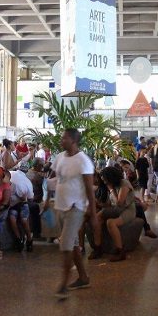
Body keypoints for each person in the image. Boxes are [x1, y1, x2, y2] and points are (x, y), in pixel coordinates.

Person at [51, 128, 96, 299]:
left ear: (74, 141)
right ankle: (83, 277)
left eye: (64, 138)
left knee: (66, 245)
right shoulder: (60, 157)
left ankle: (63, 284)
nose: (61, 140)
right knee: (73, 244)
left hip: (75, 208)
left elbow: (89, 189)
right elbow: (57, 178)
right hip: (61, 207)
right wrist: (49, 199)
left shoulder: (83, 161)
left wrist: (92, 212)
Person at [89, 166, 136, 262]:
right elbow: (110, 204)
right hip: (116, 210)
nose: (104, 182)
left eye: (105, 179)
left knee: (111, 223)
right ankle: (98, 248)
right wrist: (99, 203)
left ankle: (120, 251)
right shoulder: (112, 185)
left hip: (127, 210)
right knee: (97, 219)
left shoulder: (124, 183)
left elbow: (120, 203)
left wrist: (111, 189)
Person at [9, 169, 35, 252]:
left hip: (22, 204)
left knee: (23, 220)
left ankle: (29, 239)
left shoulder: (17, 183)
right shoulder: (26, 181)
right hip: (14, 205)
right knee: (13, 219)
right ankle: (19, 239)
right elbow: (31, 197)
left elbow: (27, 198)